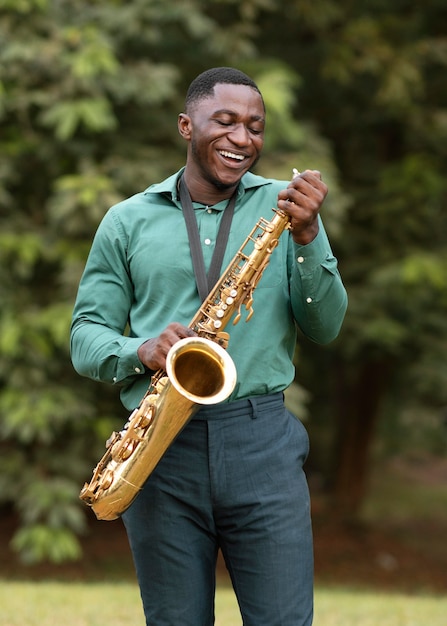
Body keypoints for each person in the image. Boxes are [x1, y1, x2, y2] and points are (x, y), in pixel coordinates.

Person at [70, 67, 347, 626]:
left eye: (254, 126)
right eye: (225, 121)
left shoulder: (289, 210)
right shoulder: (126, 221)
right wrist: (143, 350)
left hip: (261, 443)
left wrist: (309, 237)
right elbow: (85, 337)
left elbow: (326, 328)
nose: (242, 138)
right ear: (185, 124)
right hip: (159, 446)